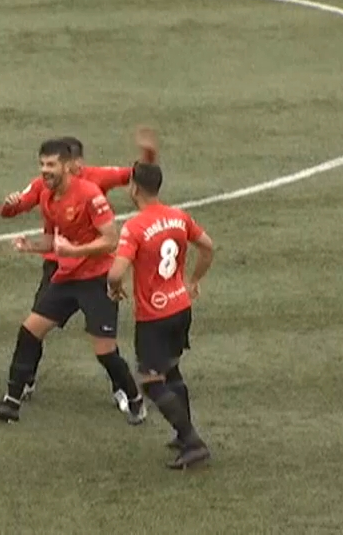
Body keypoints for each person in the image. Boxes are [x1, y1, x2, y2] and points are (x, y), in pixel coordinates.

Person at [0, 139, 143, 423]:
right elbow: (51, 239)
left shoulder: (90, 194)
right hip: (67, 277)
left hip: (96, 280)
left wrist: (74, 251)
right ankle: (11, 402)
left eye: (51, 165)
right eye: (42, 164)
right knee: (29, 331)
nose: (45, 170)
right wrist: (28, 246)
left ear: (68, 166)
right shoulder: (47, 195)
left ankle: (135, 398)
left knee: (105, 352)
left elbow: (110, 240)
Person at [107, 163, 214, 469]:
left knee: (152, 382)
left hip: (154, 316)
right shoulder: (178, 217)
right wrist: (193, 281)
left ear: (134, 188)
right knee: (172, 371)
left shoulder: (136, 226)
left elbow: (116, 272)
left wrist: (114, 288)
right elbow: (207, 247)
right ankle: (184, 438)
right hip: (181, 307)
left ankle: (192, 441)